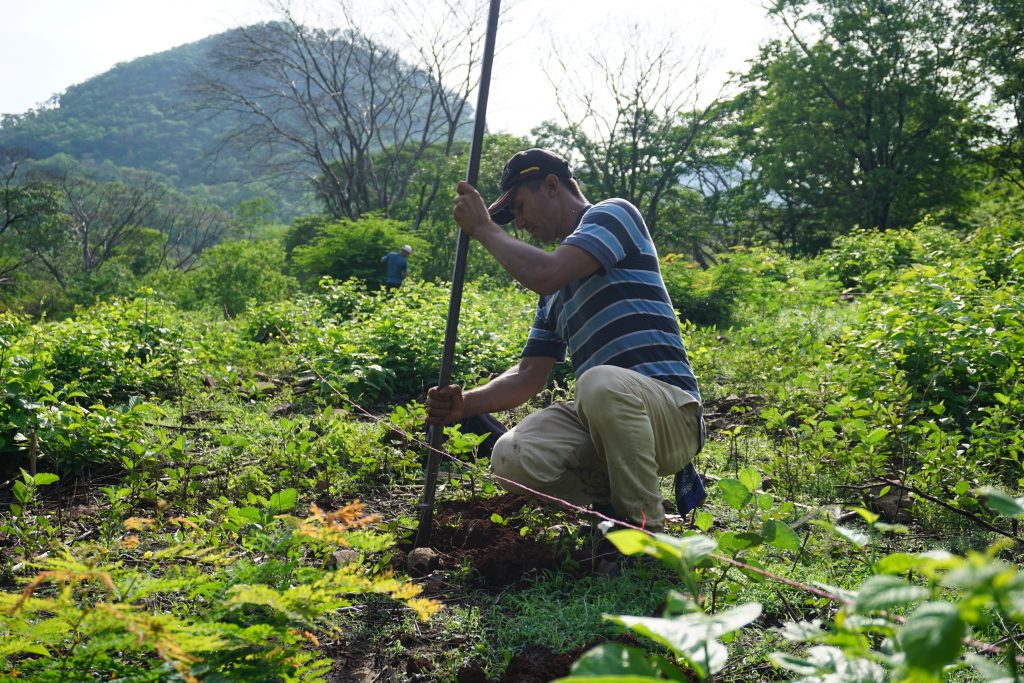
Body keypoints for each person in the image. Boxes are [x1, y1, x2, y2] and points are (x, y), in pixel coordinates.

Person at [426, 148, 705, 531]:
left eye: (520, 207)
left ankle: (645, 532)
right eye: (512, 218)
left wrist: (484, 228)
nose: (520, 223)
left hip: (671, 414)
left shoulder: (612, 214)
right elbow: (528, 376)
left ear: (552, 185)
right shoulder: (552, 295)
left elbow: (548, 272)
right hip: (606, 421)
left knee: (599, 382)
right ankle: (610, 510)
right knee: (510, 455)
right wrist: (465, 405)